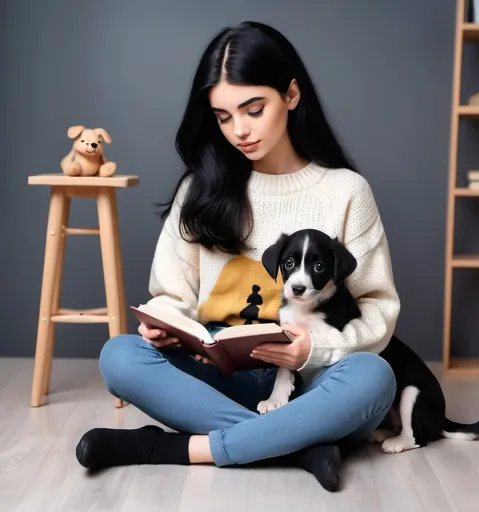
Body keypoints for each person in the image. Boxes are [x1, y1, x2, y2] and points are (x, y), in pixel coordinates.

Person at [75, 21, 399, 492]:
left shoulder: (346, 191)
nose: (239, 130)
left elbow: (379, 311)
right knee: (120, 355)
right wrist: (162, 324)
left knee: (373, 376)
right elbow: (170, 295)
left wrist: (316, 351)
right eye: (224, 117)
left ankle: (168, 448)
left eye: (253, 109)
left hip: (309, 386)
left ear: (291, 95)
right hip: (217, 378)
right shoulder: (200, 189)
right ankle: (300, 445)